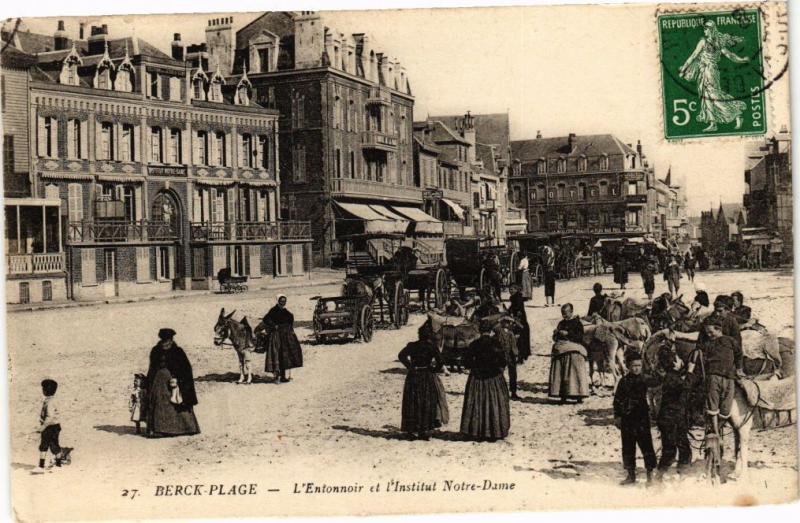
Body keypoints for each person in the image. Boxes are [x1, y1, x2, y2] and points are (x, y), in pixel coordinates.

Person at [678, 20, 749, 132]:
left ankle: (735, 114)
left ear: (711, 30)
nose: (704, 30)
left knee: (713, 97)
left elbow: (693, 56)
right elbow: (729, 55)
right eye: (704, 28)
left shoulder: (704, 42)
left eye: (706, 28)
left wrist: (684, 69)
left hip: (708, 71)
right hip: (710, 72)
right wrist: (741, 60)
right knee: (708, 97)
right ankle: (713, 123)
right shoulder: (718, 43)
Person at [460, 320, 511, 441]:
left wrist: (475, 366)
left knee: (476, 404)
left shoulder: (474, 344)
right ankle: (494, 431)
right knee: (494, 403)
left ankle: (476, 431)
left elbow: (466, 362)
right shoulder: (496, 343)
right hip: (493, 379)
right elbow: (503, 361)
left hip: (477, 378)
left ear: (479, 331)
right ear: (491, 331)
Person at [398, 323, 449, 440]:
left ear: (419, 335)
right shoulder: (431, 347)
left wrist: (410, 366)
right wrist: (433, 370)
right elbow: (441, 362)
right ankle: (425, 430)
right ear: (429, 336)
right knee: (427, 402)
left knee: (412, 401)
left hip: (414, 376)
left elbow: (401, 355)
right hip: (427, 376)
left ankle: (412, 430)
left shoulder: (412, 345)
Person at [613, 352, 657, 485]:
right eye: (633, 366)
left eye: (639, 365)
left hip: (642, 417)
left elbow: (657, 380)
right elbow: (617, 400)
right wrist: (617, 416)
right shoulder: (623, 381)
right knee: (628, 447)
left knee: (647, 446)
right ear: (628, 366)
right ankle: (631, 475)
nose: (636, 368)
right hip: (627, 419)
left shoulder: (645, 379)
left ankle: (650, 475)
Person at [146, 328, 200, 437]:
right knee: (159, 403)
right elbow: (152, 367)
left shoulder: (178, 351)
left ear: (171, 339)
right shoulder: (155, 350)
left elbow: (185, 368)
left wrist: (178, 379)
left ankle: (185, 428)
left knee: (176, 401)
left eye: (168, 339)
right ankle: (159, 430)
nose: (167, 342)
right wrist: (149, 382)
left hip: (174, 382)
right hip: (158, 382)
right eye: (165, 340)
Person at [694, 318, 740, 440]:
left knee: (726, 408)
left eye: (710, 332)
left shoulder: (731, 341)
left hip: (730, 377)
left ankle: (717, 427)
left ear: (718, 329)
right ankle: (716, 433)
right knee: (712, 406)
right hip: (713, 377)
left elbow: (739, 354)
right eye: (706, 333)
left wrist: (739, 369)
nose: (708, 335)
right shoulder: (708, 344)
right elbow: (700, 354)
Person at [654, 350, 693, 479]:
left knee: (679, 446)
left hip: (671, 418)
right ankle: (664, 473)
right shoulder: (673, 377)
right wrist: (690, 372)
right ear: (673, 363)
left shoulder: (671, 375)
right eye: (678, 358)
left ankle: (668, 471)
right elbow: (686, 388)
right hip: (673, 419)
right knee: (672, 448)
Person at [548, 304, 589, 404]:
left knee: (575, 356)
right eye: (562, 313)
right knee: (558, 358)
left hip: (574, 345)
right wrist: (556, 333)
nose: (564, 315)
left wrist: (568, 334)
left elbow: (579, 337)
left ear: (571, 312)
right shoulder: (561, 323)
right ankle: (562, 394)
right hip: (562, 346)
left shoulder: (577, 323)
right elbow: (555, 338)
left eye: (565, 313)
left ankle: (578, 393)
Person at [260, 295, 304, 383]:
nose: (283, 302)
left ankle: (283, 377)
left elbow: (290, 320)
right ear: (278, 301)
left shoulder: (286, 312)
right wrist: (273, 325)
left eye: (284, 301)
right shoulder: (273, 310)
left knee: (285, 356)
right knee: (276, 355)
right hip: (275, 336)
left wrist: (290, 331)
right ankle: (277, 377)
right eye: (281, 301)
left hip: (285, 337)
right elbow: (266, 319)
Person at [34, 379, 70, 474]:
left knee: (45, 446)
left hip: (49, 427)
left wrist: (42, 427)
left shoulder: (49, 402)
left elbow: (49, 417)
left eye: (43, 388)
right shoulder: (52, 400)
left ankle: (42, 466)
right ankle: (57, 464)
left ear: (45, 390)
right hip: (55, 426)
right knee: (54, 445)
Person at [495, 316, 521, 400]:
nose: (508, 324)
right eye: (506, 322)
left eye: (509, 323)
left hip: (510, 355)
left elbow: (520, 327)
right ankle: (500, 391)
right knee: (499, 373)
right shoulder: (498, 331)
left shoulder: (510, 333)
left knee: (513, 375)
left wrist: (516, 355)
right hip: (501, 355)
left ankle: (513, 392)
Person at [508, 284, 531, 363]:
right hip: (519, 319)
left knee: (519, 338)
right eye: (509, 289)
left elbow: (517, 308)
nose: (510, 291)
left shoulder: (517, 298)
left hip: (520, 320)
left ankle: (521, 356)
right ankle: (523, 354)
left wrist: (511, 313)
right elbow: (512, 307)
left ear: (516, 289)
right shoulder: (515, 297)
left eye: (512, 289)